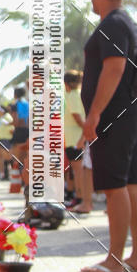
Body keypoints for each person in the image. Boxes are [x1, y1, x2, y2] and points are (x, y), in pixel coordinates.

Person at [79, 0, 137, 272]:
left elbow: (114, 67)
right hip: (127, 115)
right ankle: (134, 255)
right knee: (130, 183)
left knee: (115, 186)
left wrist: (95, 113)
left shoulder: (113, 23)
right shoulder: (128, 21)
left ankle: (114, 258)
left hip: (115, 116)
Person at [63, 70, 86, 210]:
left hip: (75, 138)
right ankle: (76, 196)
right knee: (75, 169)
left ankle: (80, 198)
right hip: (73, 137)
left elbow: (77, 117)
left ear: (66, 83)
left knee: (78, 170)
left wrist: (87, 130)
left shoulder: (72, 95)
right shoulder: (77, 94)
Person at [0, 105, 14, 180]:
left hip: (5, 139)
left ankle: (9, 173)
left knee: (6, 157)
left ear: (3, 110)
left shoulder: (8, 117)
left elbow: (12, 127)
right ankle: (2, 174)